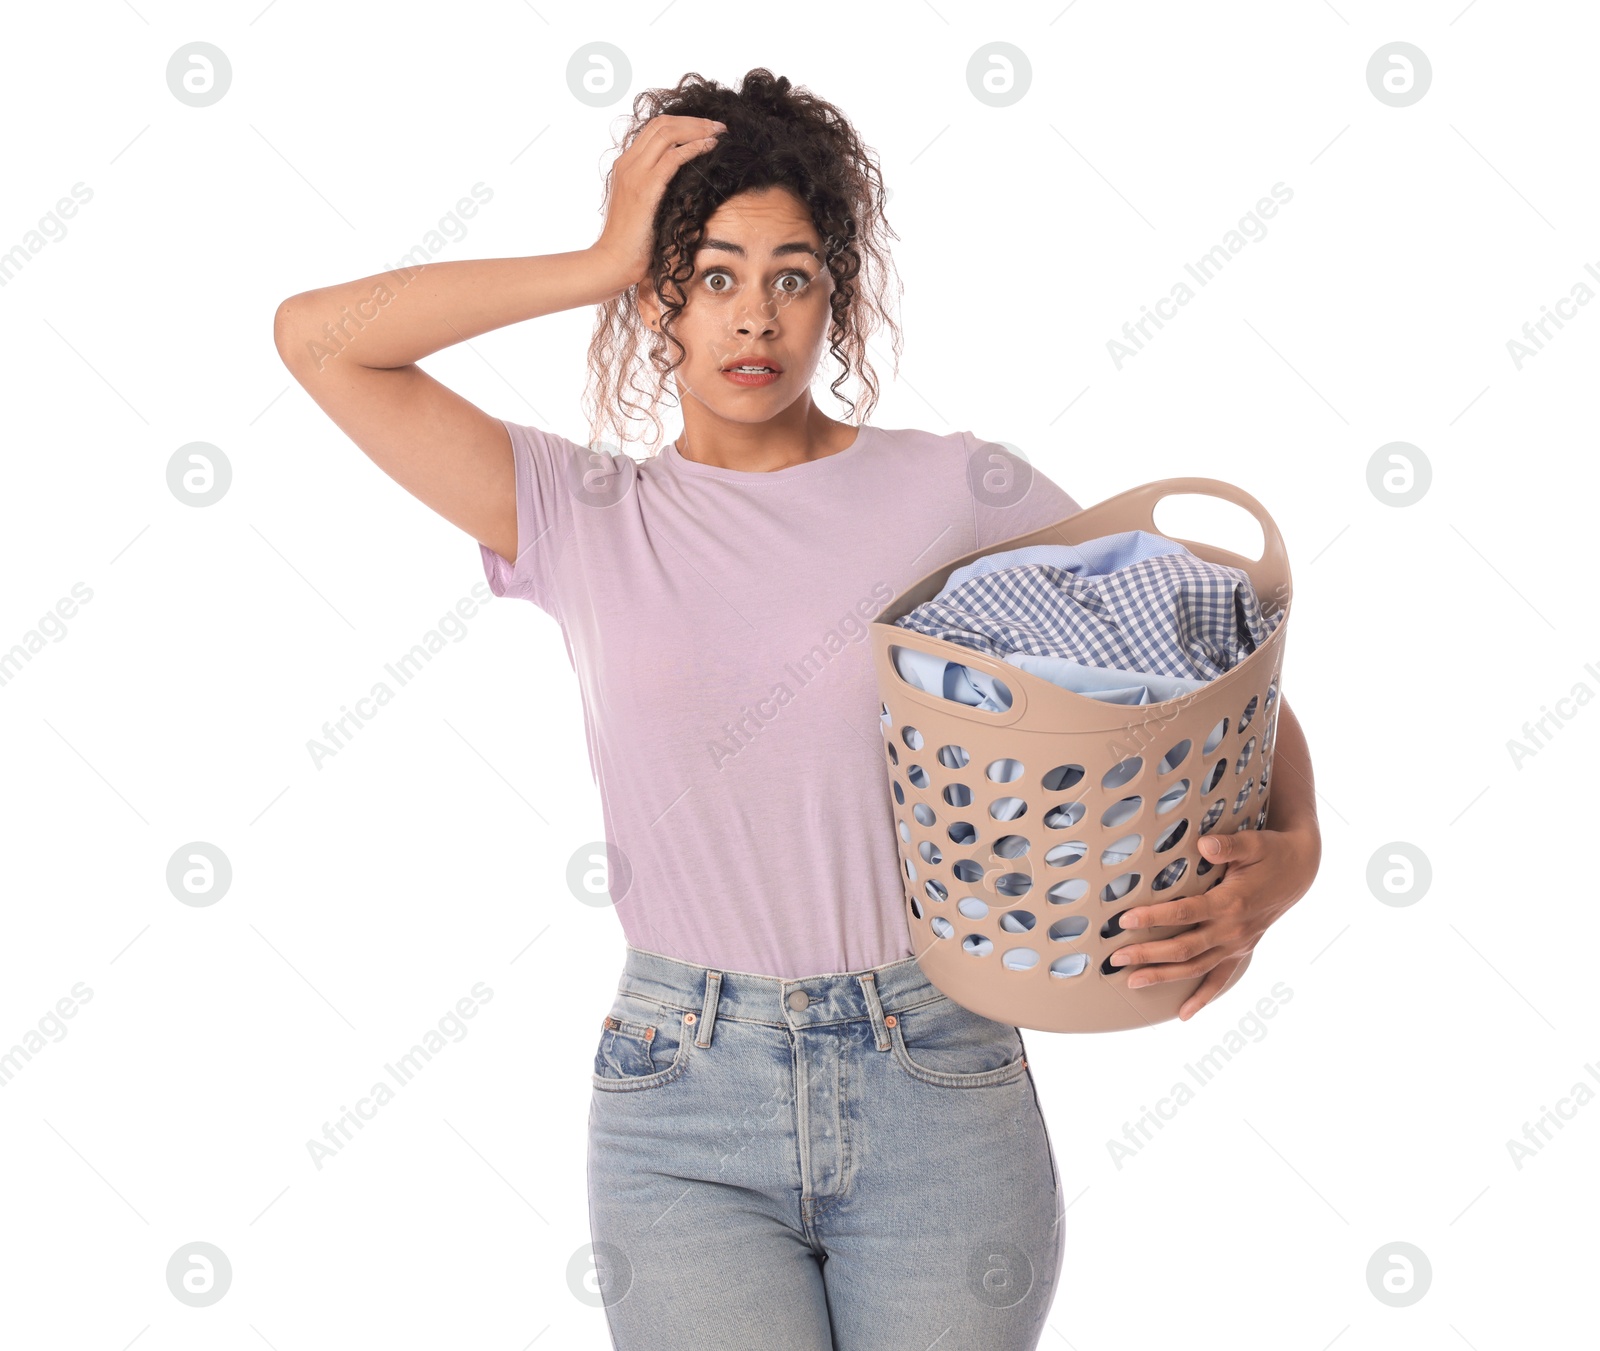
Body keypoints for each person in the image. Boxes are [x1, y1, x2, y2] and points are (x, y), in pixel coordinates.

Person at [274, 67, 1322, 1351]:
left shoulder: (955, 492)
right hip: (681, 1093)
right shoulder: (581, 513)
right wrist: (599, 251)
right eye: (710, 275)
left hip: (938, 1070)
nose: (752, 316)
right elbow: (317, 335)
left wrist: (1294, 854)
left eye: (792, 273)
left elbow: (1198, 659)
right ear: (659, 298)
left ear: (838, 293)